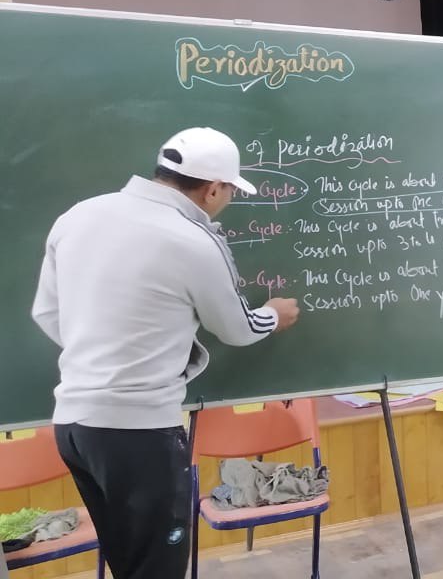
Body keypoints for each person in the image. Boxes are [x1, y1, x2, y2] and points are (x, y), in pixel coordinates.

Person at [30, 126, 300, 578]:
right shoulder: (192, 239)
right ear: (213, 189)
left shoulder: (78, 215)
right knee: (158, 567)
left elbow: (47, 312)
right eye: (230, 191)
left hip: (74, 427)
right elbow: (237, 328)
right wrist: (273, 314)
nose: (228, 200)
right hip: (138, 433)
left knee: (129, 563)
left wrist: (106, 350)